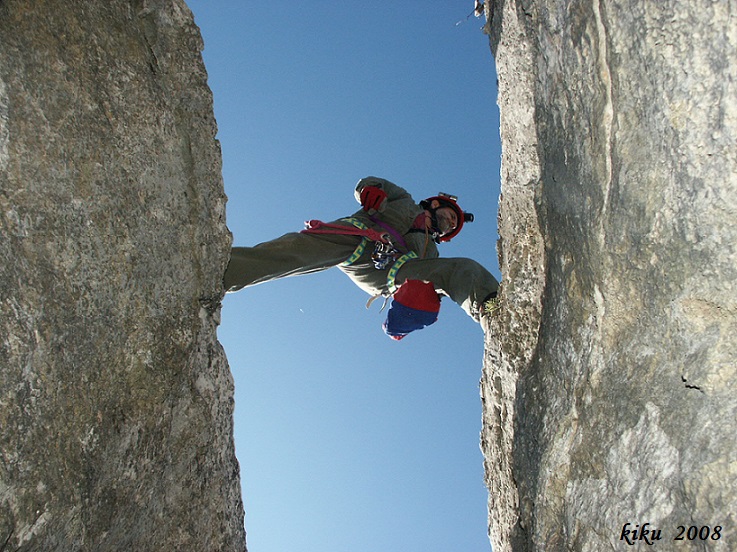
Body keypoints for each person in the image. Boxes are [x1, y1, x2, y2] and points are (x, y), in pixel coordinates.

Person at [224, 176, 499, 339]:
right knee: (293, 252)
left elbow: (434, 278)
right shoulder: (403, 199)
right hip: (356, 235)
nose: (450, 223)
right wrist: (369, 191)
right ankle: (224, 271)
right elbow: (370, 183)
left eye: (453, 225)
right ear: (436, 204)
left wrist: (420, 303)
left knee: (461, 268)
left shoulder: (431, 251)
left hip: (388, 271)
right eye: (451, 216)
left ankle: (492, 309)